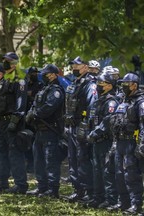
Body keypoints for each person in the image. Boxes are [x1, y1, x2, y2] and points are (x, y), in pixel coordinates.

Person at [0, 52, 28, 194]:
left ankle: (21, 184)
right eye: (3, 60)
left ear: (15, 63)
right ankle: (3, 181)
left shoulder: (20, 80)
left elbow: (20, 104)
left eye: (8, 61)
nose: (4, 62)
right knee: (1, 152)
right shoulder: (4, 80)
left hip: (12, 122)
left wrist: (14, 122)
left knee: (15, 153)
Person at [26, 64, 65, 198]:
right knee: (39, 160)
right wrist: (30, 113)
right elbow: (35, 104)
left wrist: (36, 114)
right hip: (39, 131)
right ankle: (42, 187)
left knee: (51, 161)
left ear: (53, 75)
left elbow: (49, 107)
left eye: (46, 74)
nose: (43, 76)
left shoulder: (56, 90)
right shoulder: (44, 89)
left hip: (50, 130)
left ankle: (53, 190)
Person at [64, 56, 98, 202]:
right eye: (73, 65)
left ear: (85, 67)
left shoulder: (90, 84)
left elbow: (93, 106)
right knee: (73, 159)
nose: (74, 68)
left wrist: (87, 125)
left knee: (83, 158)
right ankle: (78, 189)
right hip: (72, 126)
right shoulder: (76, 83)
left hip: (82, 126)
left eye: (77, 66)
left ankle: (88, 191)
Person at [109, 72, 143, 214]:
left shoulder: (140, 102)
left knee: (131, 175)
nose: (123, 86)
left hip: (131, 142)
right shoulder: (123, 100)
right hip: (119, 142)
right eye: (122, 84)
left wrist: (141, 144)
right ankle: (123, 203)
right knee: (119, 174)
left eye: (126, 84)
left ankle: (136, 205)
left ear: (134, 85)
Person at [86, 72, 119, 208]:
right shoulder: (99, 100)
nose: (98, 85)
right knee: (97, 170)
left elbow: (107, 122)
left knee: (107, 171)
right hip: (96, 141)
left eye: (101, 83)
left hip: (105, 140)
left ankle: (110, 200)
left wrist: (95, 133)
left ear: (109, 86)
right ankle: (98, 197)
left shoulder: (111, 102)